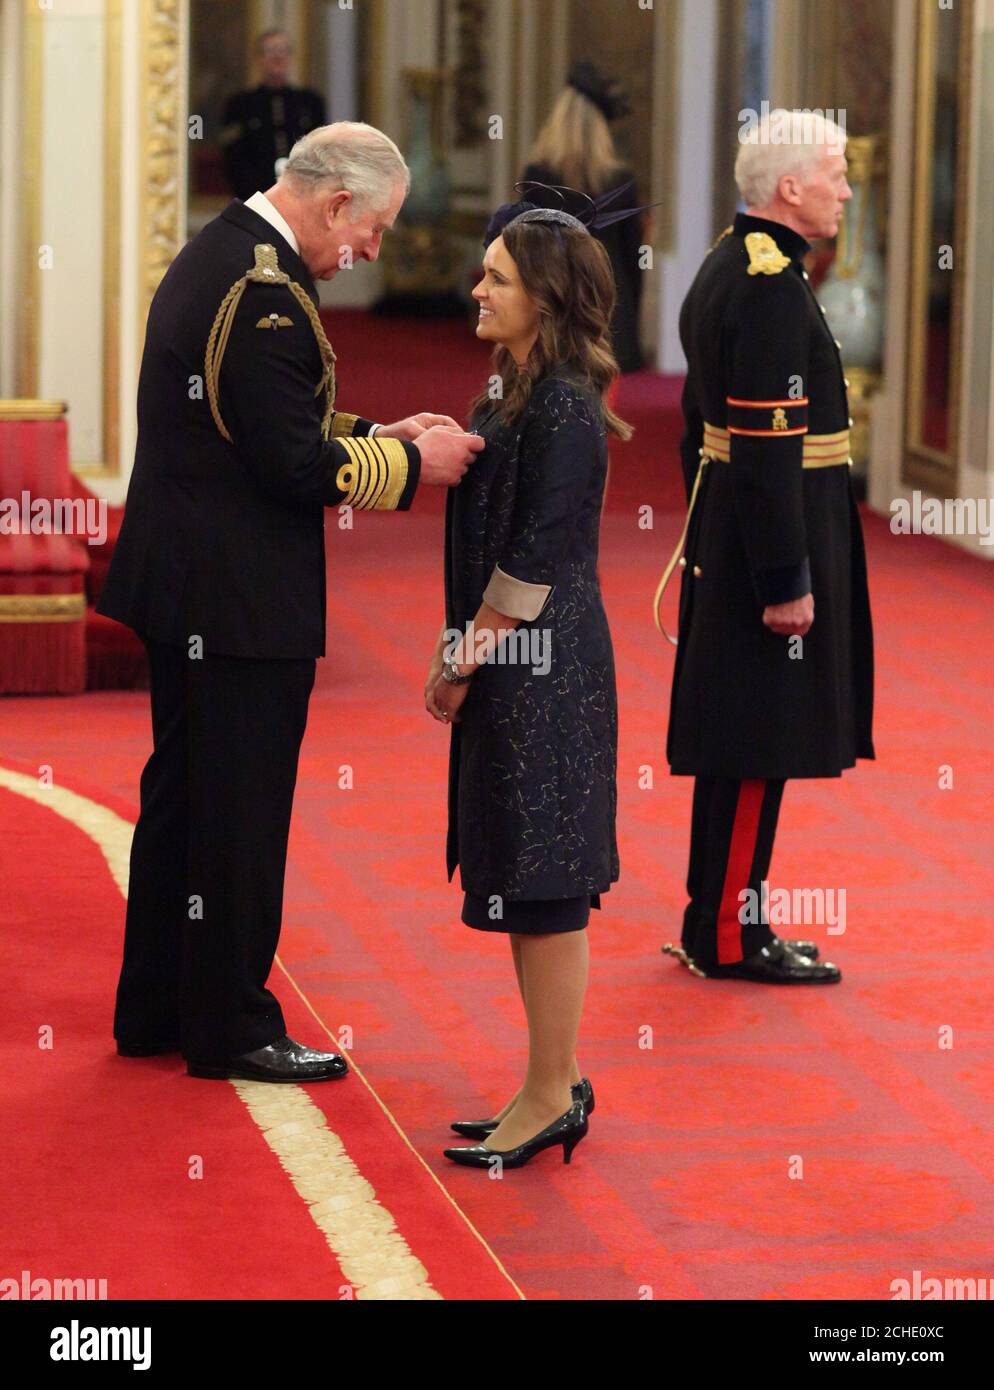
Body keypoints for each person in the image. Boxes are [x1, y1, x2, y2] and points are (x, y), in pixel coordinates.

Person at [99, 122, 484, 1081]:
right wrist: (412, 462)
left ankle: (157, 1004)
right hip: (232, 598)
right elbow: (290, 462)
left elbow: (263, 414)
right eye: (375, 230)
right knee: (237, 810)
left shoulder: (233, 251)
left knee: (186, 798)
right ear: (336, 201)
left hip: (192, 582)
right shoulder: (265, 289)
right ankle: (230, 1024)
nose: (372, 253)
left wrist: (377, 428)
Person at [427, 187, 636, 1169]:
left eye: (496, 277)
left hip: (544, 671)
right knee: (520, 872)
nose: (476, 287)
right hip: (522, 664)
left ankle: (553, 1090)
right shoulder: (508, 392)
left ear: (544, 301)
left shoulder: (561, 407)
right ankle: (544, 1078)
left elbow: (532, 566)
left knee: (545, 882)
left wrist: (459, 661)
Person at [658, 109, 874, 984]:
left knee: (742, 740)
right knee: (758, 743)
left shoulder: (731, 263)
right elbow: (768, 448)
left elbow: (694, 429)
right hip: (773, 540)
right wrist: (786, 576)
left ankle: (721, 918)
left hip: (733, 526)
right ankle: (726, 936)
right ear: (790, 188)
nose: (847, 191)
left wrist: (712, 528)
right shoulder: (770, 287)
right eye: (836, 174)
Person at [521, 62, 646, 375]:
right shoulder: (621, 180)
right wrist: (632, 312)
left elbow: (525, 250)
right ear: (603, 128)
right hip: (608, 305)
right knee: (603, 410)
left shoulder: (537, 176)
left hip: (554, 304)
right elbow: (635, 259)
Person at [219, 29, 326, 201]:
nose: (277, 58)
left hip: (302, 194)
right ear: (259, 58)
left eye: (283, 51)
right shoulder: (239, 104)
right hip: (255, 196)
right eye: (270, 51)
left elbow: (320, 152)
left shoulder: (310, 102)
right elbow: (233, 157)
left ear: (291, 57)